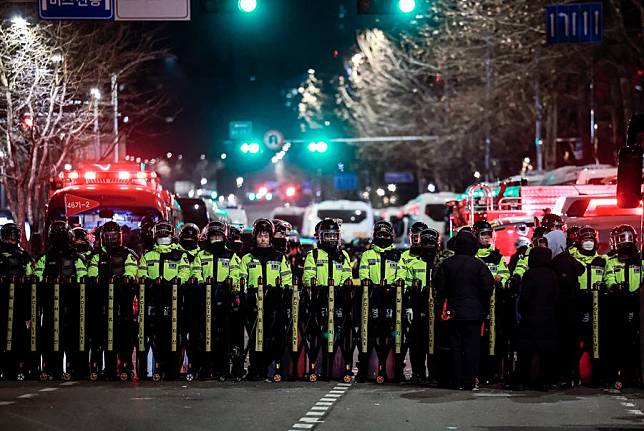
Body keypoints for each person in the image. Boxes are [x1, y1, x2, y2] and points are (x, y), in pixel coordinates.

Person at [434, 230, 494, 390]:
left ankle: (455, 380)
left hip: (452, 312)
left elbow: (439, 287)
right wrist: (481, 304)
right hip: (474, 313)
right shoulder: (479, 265)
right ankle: (469, 380)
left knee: (454, 347)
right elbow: (488, 287)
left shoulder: (446, 264)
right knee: (472, 348)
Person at [238, 219, 292, 380]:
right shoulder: (247, 258)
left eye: (266, 236)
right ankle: (255, 368)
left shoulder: (279, 257)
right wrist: (245, 295)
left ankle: (271, 368)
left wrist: (284, 294)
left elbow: (287, 280)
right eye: (260, 236)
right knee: (255, 337)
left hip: (274, 302)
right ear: (255, 237)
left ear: (271, 238)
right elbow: (242, 280)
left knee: (272, 336)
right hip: (253, 302)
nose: (263, 239)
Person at [357, 220, 402, 382]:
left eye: (386, 235)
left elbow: (401, 274)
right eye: (380, 235)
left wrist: (395, 285)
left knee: (394, 333)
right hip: (373, 297)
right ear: (375, 236)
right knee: (369, 332)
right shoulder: (368, 255)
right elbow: (363, 273)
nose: (383, 238)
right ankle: (364, 368)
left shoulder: (397, 255)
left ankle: (396, 369)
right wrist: (369, 283)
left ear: (391, 236)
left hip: (392, 299)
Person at [401, 228, 441, 383]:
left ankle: (434, 374)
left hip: (435, 307)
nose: (429, 246)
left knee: (435, 343)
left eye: (432, 243)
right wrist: (408, 306)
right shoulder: (414, 262)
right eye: (426, 243)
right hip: (418, 306)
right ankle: (418, 373)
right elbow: (406, 285)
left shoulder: (441, 262)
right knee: (417, 343)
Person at [603, 224, 641, 387]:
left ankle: (634, 375)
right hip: (618, 303)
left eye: (628, 238)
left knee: (636, 343)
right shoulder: (611, 261)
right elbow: (609, 278)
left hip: (638, 304)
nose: (625, 242)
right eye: (621, 238)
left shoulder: (640, 260)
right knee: (618, 342)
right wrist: (614, 287)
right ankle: (618, 375)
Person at [546, 228, 585, 388]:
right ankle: (572, 376)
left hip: (564, 312)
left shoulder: (559, 263)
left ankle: (565, 376)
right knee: (572, 345)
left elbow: (562, 288)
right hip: (572, 310)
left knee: (564, 345)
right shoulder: (569, 259)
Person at [517, 246, 557, 390]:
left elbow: (524, 297)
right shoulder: (553, 275)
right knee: (546, 353)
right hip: (548, 318)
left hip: (530, 318)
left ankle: (525, 380)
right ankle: (545, 381)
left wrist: (523, 311)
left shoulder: (530, 275)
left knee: (526, 352)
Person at [303, 218, 352, 287]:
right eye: (328, 236)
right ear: (321, 237)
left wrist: (339, 291)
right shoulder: (313, 254)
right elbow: (309, 276)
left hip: (339, 295)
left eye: (334, 236)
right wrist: (318, 290)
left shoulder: (343, 254)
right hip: (318, 295)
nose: (332, 238)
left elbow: (347, 275)